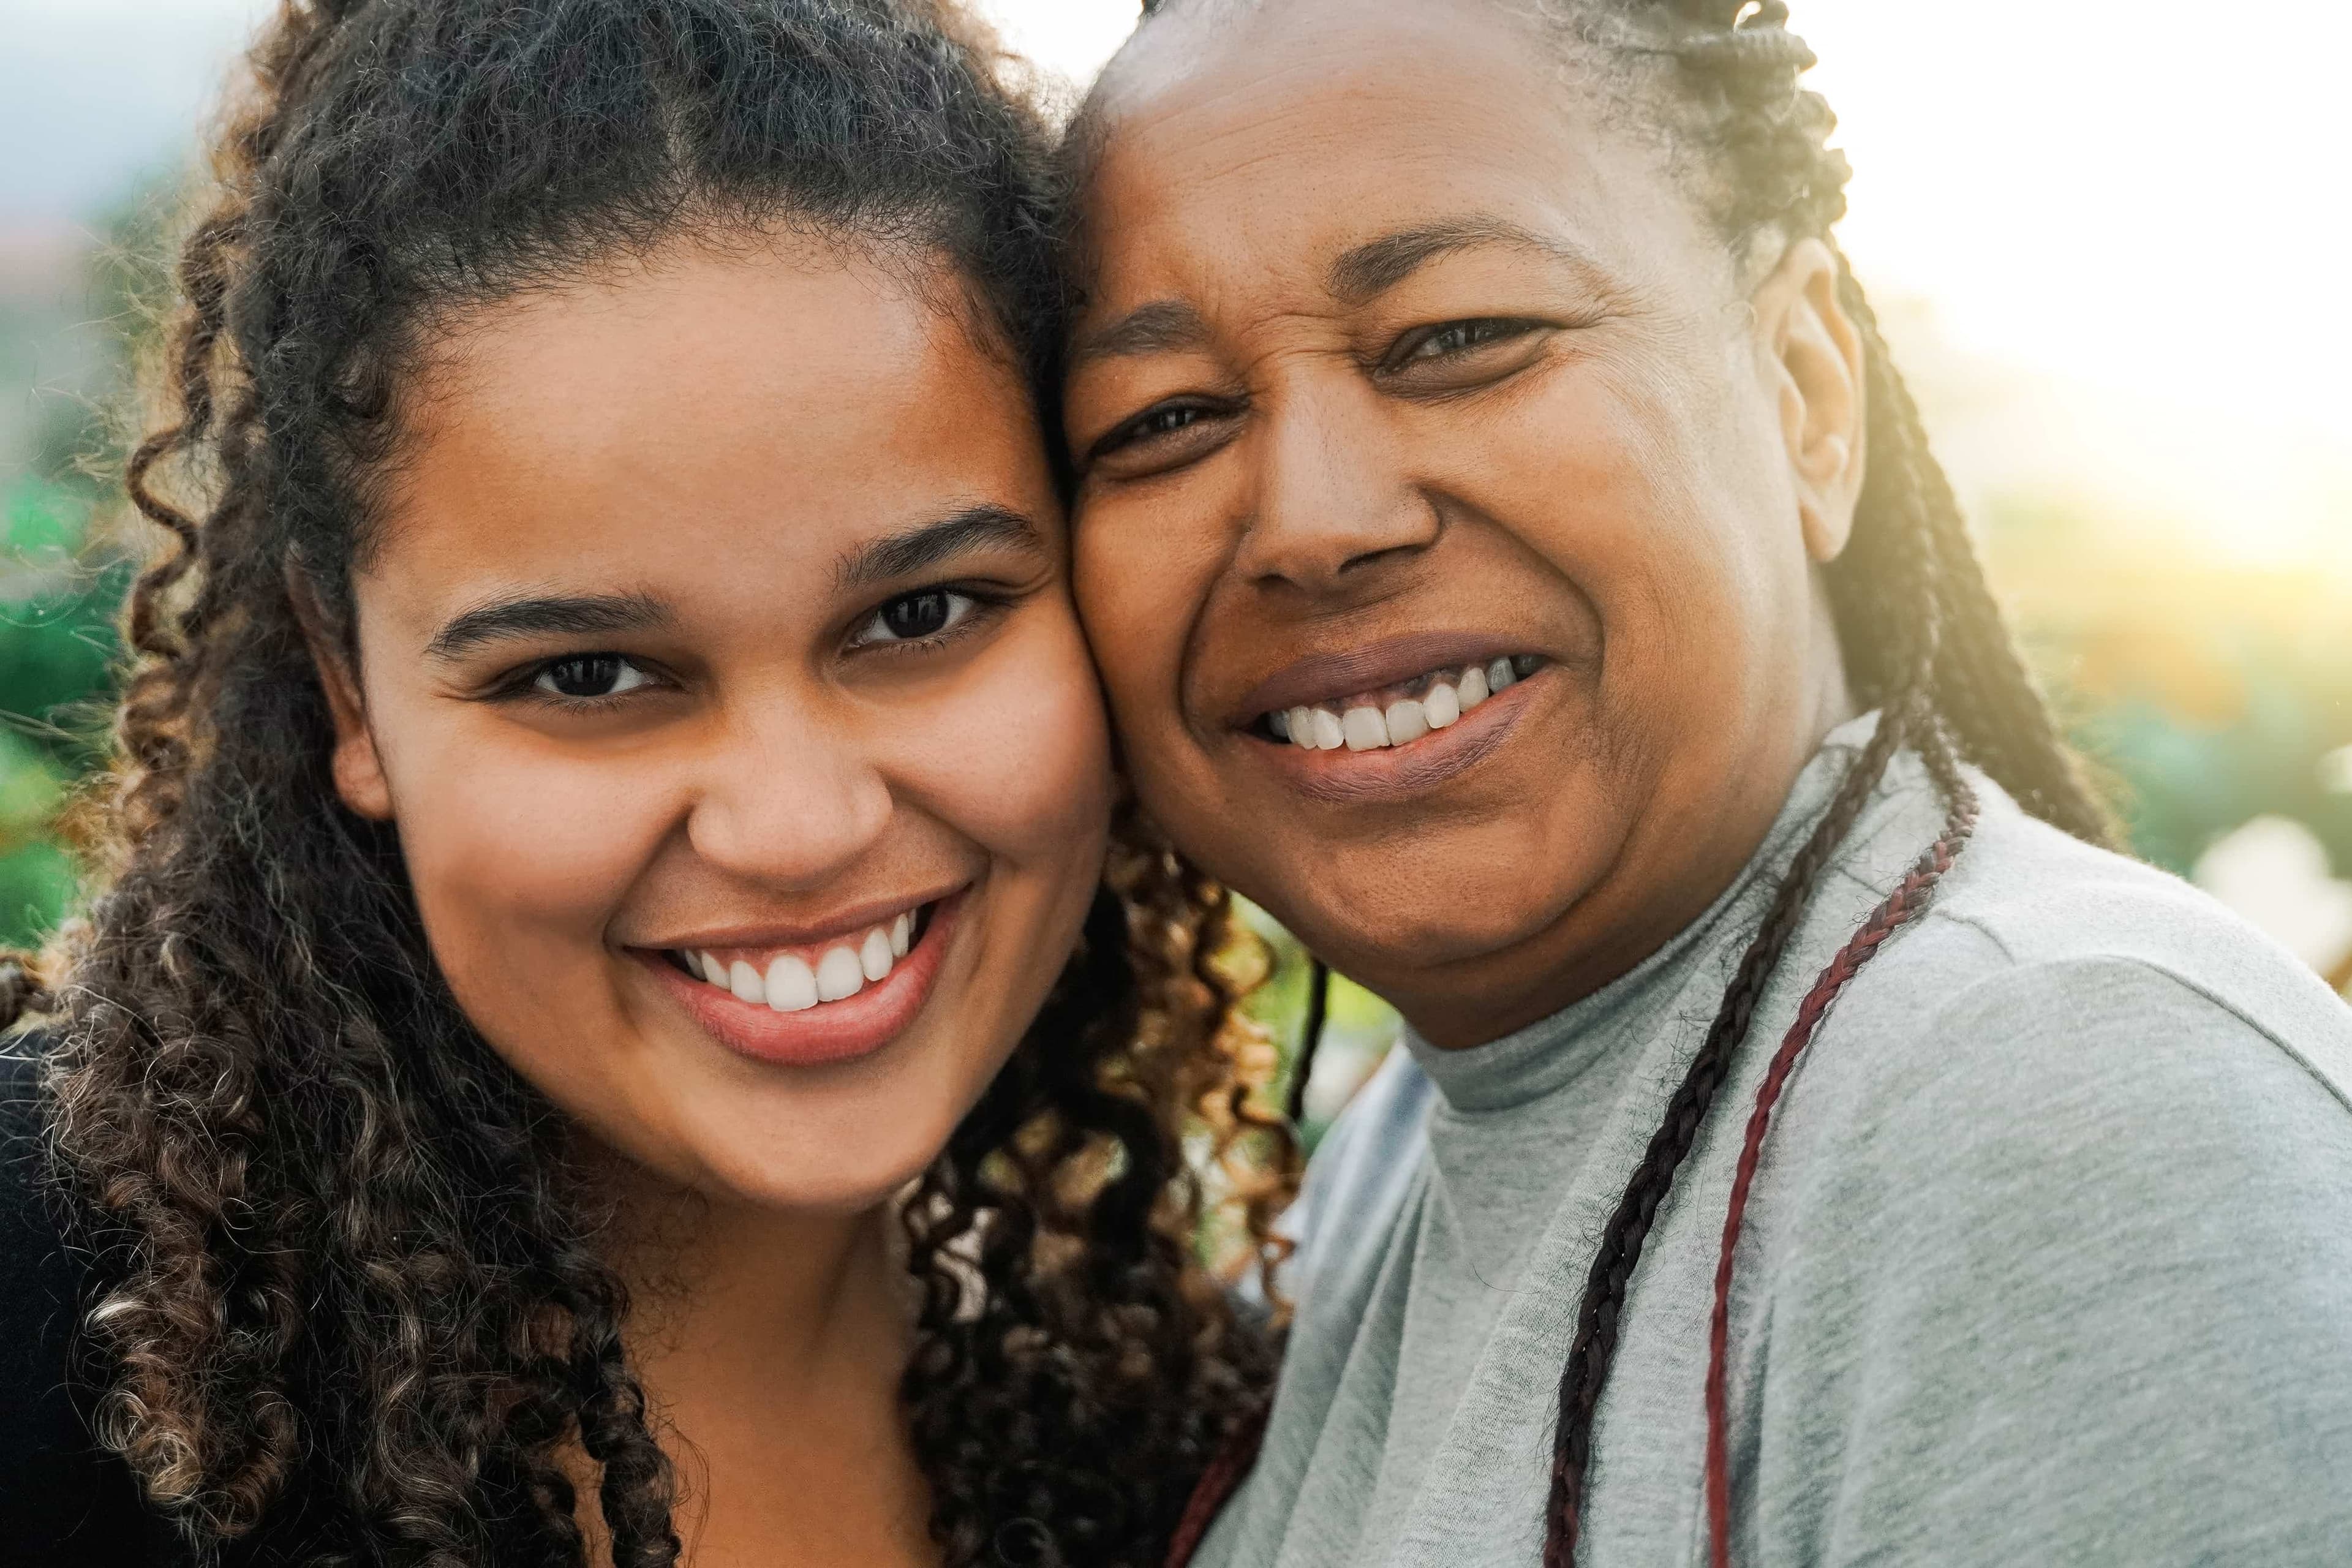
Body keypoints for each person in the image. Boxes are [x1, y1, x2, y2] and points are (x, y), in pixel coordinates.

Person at [1055, 1, 2352, 1564]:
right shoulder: (1416, 1138)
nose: (1315, 520)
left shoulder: (2070, 1103)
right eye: (1165, 419)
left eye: (1458, 337)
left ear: (1806, 392)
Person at [0, 2, 1291, 1564]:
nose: (797, 826)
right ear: (349, 687)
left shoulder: (1181, 1452)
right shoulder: (52, 1332)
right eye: (589, 675)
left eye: (919, 614)